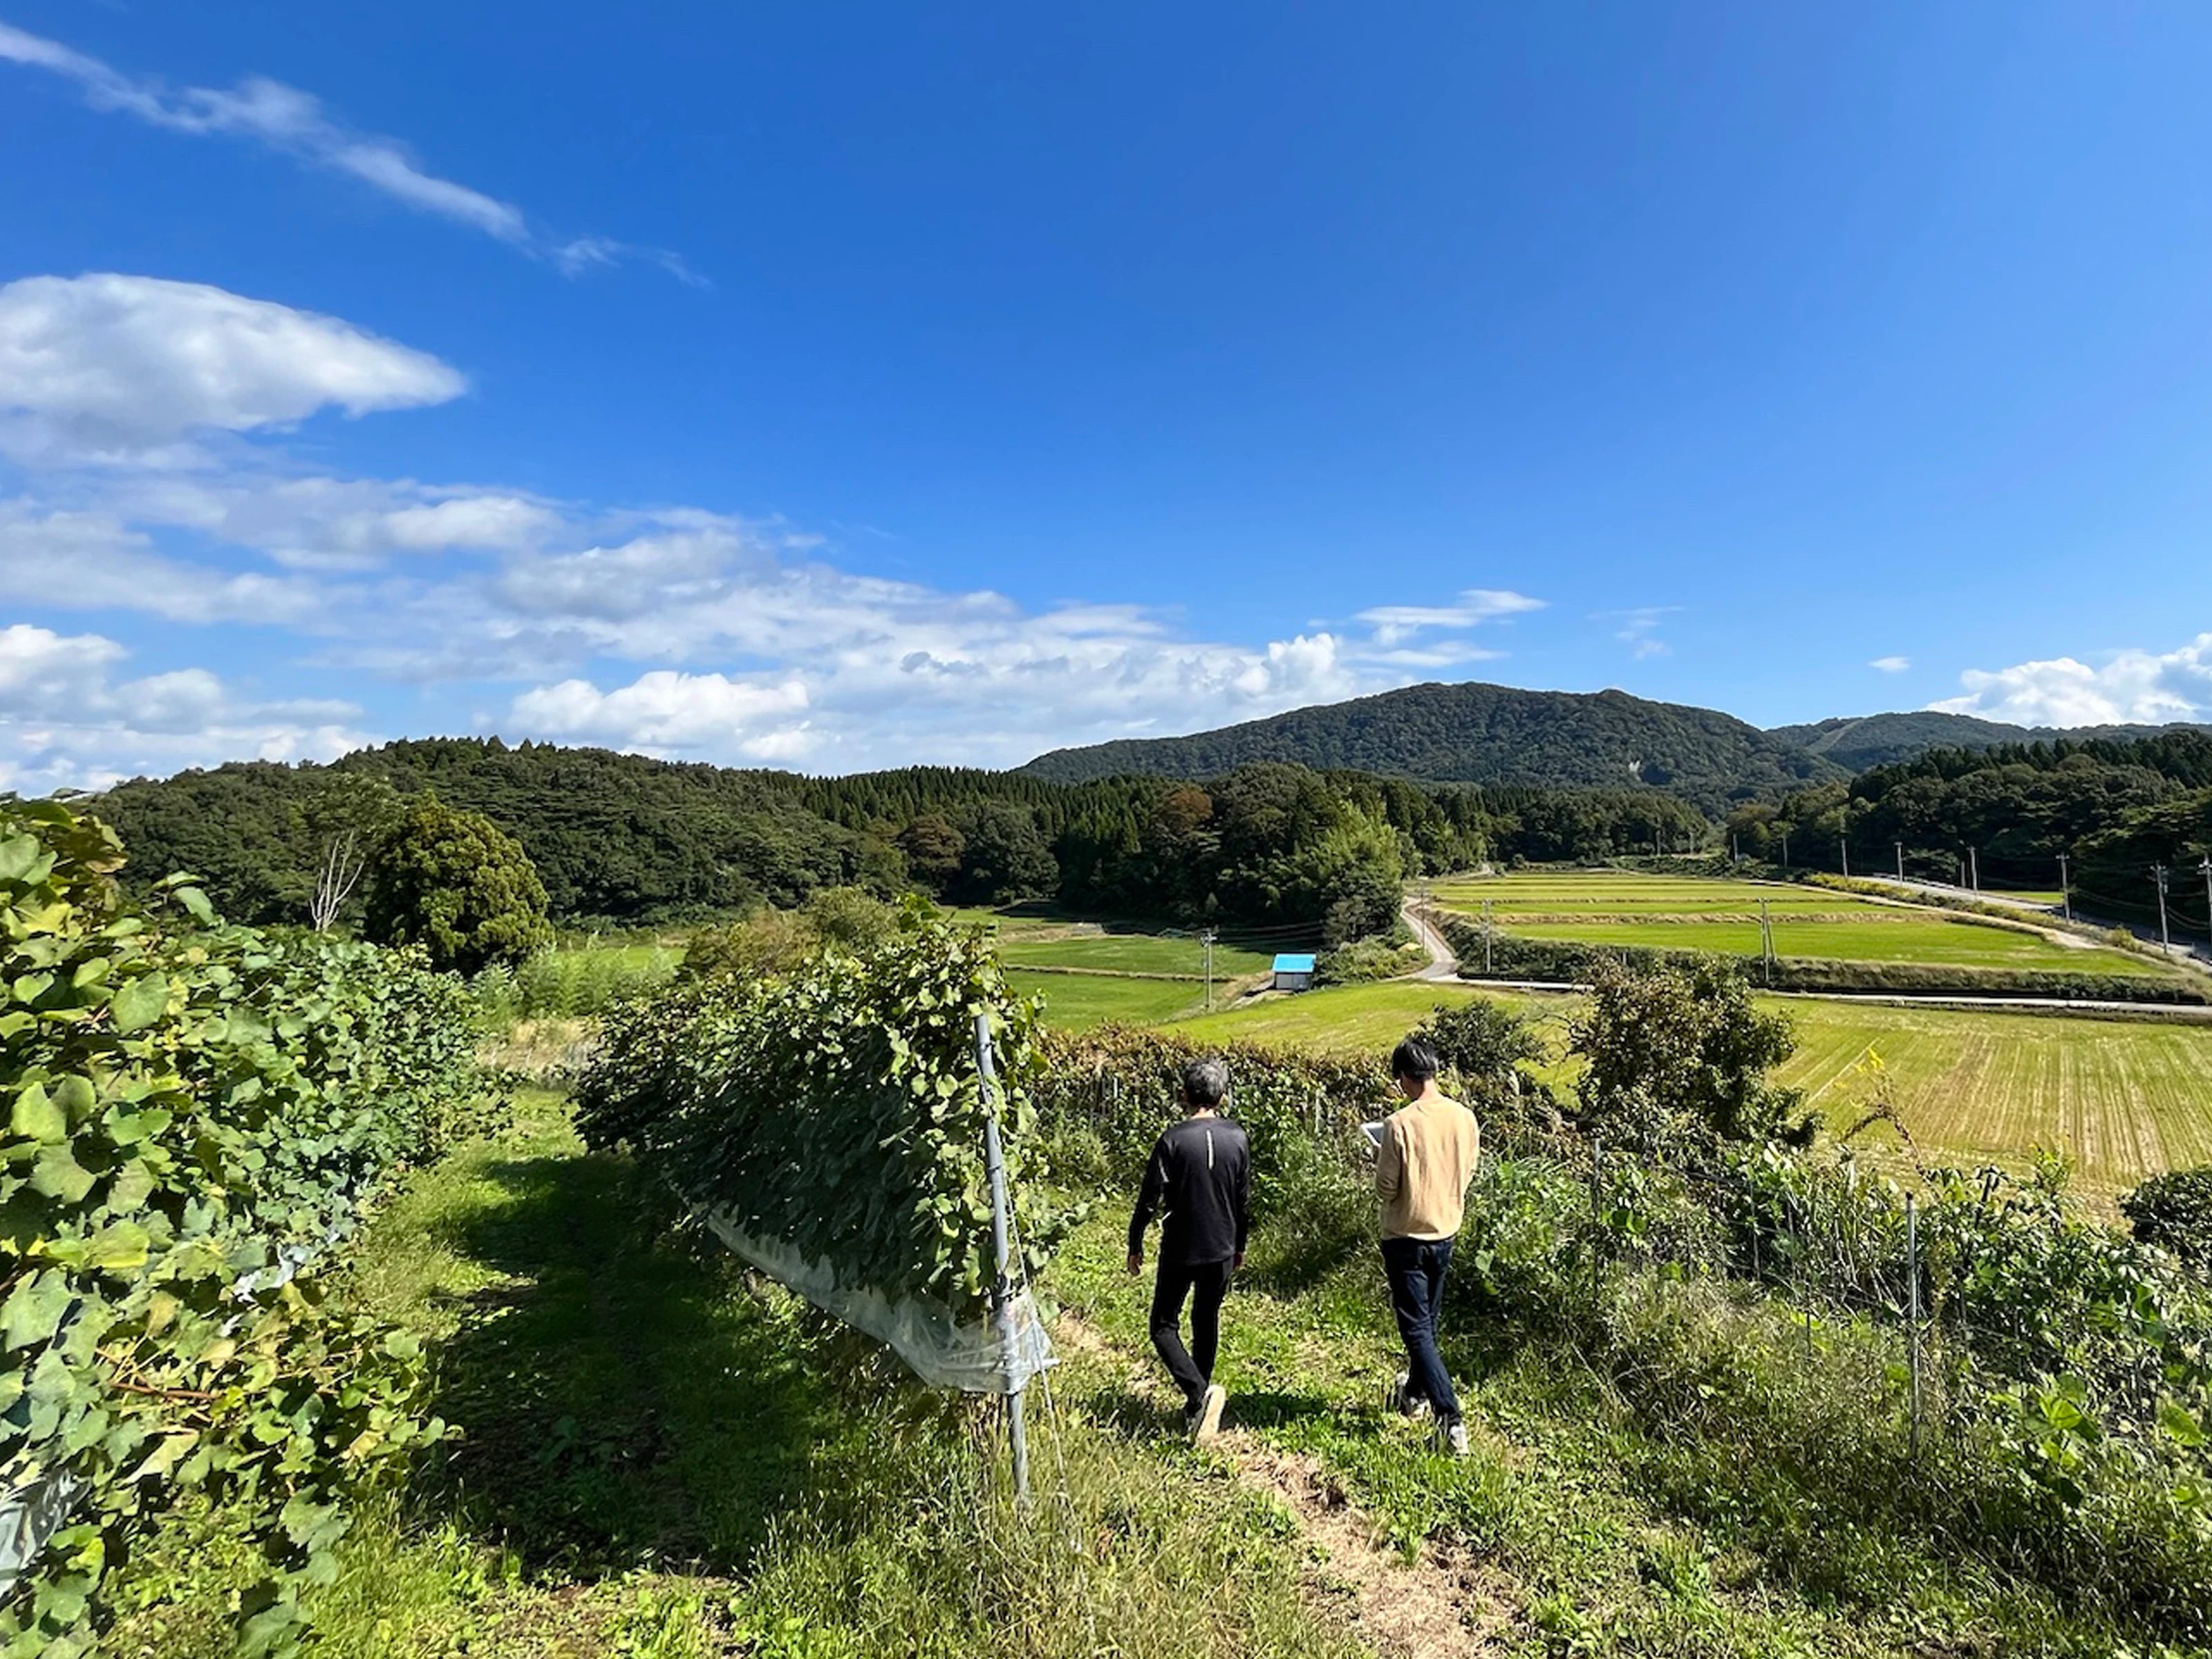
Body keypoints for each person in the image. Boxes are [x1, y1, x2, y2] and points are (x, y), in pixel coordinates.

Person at [1127, 1056, 1250, 1441]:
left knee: (1163, 1325)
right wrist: (1240, 1245)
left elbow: (1149, 1198)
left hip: (1181, 1245)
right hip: (1223, 1246)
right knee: (1206, 1319)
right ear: (1223, 1096)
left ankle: (1198, 1395)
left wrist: (1135, 1241)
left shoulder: (1173, 1139)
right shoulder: (1238, 1137)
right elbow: (1243, 1199)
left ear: (1183, 1095)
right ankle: (1199, 1404)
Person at [1375, 1035, 1481, 1456]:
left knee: (1416, 1327)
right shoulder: (1464, 1117)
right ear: (1434, 1071)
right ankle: (1414, 1394)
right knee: (1428, 1323)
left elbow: (1386, 1188)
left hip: (1405, 1235)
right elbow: (1469, 1168)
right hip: (1446, 1230)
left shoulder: (1398, 1124)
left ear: (1404, 1077)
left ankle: (1450, 1417)